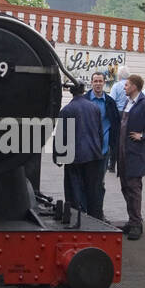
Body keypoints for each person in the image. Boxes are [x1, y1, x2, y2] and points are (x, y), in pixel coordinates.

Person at [117, 74, 145, 240]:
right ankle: (132, 220)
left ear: (135, 86)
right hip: (123, 152)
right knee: (125, 187)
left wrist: (143, 136)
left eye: (127, 85)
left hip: (135, 154)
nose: (124, 87)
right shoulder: (129, 102)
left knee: (134, 188)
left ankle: (137, 224)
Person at [53, 82, 103, 216]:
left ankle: (76, 216)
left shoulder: (67, 110)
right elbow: (99, 132)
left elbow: (61, 136)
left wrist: (57, 157)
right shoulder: (94, 108)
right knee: (92, 189)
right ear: (83, 91)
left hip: (74, 156)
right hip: (93, 154)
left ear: (72, 92)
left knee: (73, 189)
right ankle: (95, 217)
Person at [86, 71, 120, 220]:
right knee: (85, 181)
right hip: (87, 149)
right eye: (95, 81)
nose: (98, 83)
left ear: (104, 83)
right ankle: (85, 212)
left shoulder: (110, 102)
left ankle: (98, 213)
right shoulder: (85, 100)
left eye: (100, 81)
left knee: (100, 183)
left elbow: (116, 124)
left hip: (103, 150)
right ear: (91, 83)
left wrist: (115, 145)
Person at [107, 69, 129, 170]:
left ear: (119, 76)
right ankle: (124, 165)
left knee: (115, 139)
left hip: (118, 113)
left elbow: (111, 100)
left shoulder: (116, 86)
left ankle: (112, 165)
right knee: (125, 139)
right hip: (128, 113)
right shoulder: (130, 85)